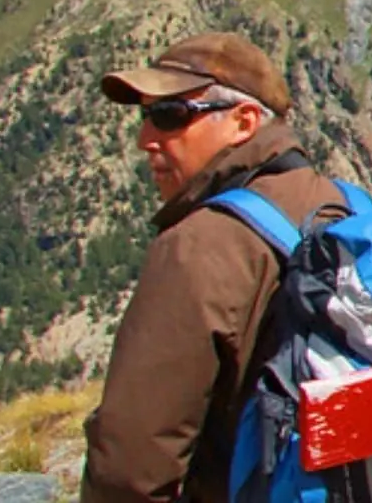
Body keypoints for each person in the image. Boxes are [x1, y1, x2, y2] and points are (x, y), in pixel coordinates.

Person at [83, 32, 345, 503]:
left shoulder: (198, 245)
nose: (146, 140)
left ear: (244, 122)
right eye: (145, 116)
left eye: (169, 116)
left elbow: (131, 469)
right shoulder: (340, 202)